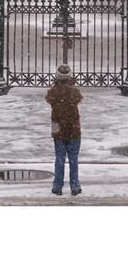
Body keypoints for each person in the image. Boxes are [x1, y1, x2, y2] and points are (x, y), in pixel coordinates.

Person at [45, 63, 83, 195]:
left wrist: (57, 85)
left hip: (58, 128)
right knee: (73, 158)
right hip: (73, 128)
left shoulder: (53, 92)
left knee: (59, 158)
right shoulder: (74, 92)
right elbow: (79, 98)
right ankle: (74, 186)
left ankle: (57, 186)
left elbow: (48, 98)